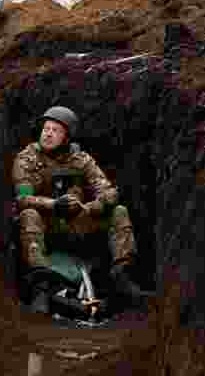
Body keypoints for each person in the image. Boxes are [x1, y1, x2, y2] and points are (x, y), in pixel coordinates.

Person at [12, 106, 151, 304]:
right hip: (47, 224)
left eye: (55, 130)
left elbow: (107, 190)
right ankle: (41, 288)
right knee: (28, 215)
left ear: (67, 137)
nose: (48, 134)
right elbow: (22, 199)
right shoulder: (26, 159)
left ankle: (123, 277)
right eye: (46, 129)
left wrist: (90, 207)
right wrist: (54, 204)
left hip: (78, 220)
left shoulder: (81, 160)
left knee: (119, 212)